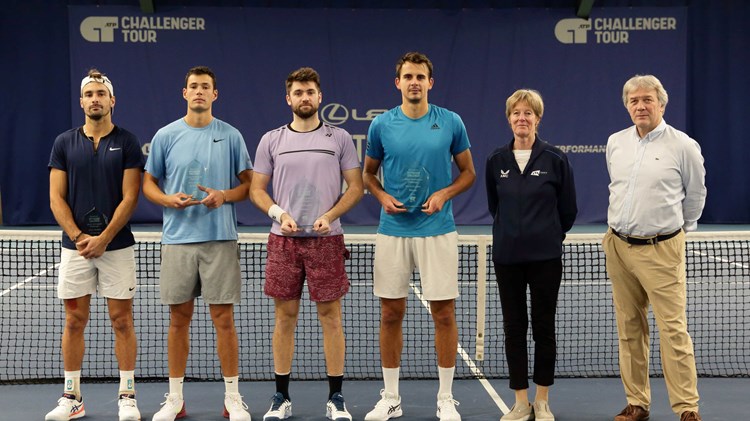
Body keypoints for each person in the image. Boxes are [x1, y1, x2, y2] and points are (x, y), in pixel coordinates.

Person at [362, 51, 476, 421]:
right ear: (397, 83)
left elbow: (468, 173)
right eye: (407, 76)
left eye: (420, 77)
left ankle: (445, 398)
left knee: (444, 314)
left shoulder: (450, 122)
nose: (414, 82)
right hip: (392, 232)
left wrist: (443, 194)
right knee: (390, 313)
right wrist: (381, 196)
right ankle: (391, 398)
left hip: (438, 232)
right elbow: (367, 174)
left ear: (430, 82)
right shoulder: (381, 125)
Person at [249, 67, 364, 421]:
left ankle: (336, 397)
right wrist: (277, 212)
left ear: (319, 96)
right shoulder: (271, 140)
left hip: (327, 241)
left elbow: (356, 187)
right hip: (283, 241)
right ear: (289, 98)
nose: (304, 97)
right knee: (284, 318)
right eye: (298, 92)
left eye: (310, 92)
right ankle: (281, 397)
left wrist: (329, 216)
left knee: (331, 318)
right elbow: (256, 189)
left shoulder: (339, 138)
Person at [143, 66, 253, 421]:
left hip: (220, 239)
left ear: (215, 94)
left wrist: (224, 195)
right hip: (177, 241)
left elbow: (250, 186)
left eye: (206, 87)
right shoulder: (165, 135)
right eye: (194, 87)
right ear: (185, 93)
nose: (200, 92)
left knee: (223, 319)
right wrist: (166, 200)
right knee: (178, 319)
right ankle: (175, 398)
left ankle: (233, 397)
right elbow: (148, 183)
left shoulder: (232, 136)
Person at [603, 75, 706, 421]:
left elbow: (696, 197)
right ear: (627, 106)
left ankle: (687, 408)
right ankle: (637, 403)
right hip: (618, 247)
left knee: (673, 330)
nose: (641, 106)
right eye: (634, 101)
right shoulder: (616, 142)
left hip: (662, 250)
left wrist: (674, 234)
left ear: (662, 104)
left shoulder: (683, 145)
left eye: (647, 99)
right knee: (629, 329)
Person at [46, 69, 144, 421]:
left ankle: (127, 396)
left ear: (112, 100)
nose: (95, 99)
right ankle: (72, 397)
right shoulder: (63, 142)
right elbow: (57, 198)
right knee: (74, 320)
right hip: (75, 250)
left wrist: (103, 238)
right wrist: (78, 237)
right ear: (82, 101)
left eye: (101, 93)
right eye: (89, 94)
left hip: (116, 247)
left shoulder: (128, 142)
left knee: (122, 320)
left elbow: (131, 196)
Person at [485, 89, 577, 421]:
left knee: (544, 328)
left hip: (546, 260)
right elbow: (495, 206)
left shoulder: (555, 158)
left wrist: (546, 236)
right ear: (508, 119)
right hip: (507, 258)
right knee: (513, 328)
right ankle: (520, 403)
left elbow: (568, 210)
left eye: (528, 113)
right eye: (516, 113)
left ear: (538, 118)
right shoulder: (496, 160)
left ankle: (543, 401)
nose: (522, 118)